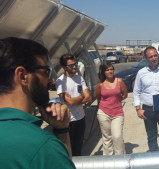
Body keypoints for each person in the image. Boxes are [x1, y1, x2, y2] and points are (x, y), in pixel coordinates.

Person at [0, 37, 75, 168]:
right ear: (23, 76)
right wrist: (62, 132)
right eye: (46, 71)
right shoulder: (42, 146)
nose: (50, 80)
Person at [56, 54, 91, 156]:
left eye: (75, 64)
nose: (74, 67)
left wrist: (76, 99)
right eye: (71, 65)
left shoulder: (79, 78)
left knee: (78, 146)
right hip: (68, 121)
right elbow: (69, 102)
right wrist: (81, 96)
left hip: (81, 118)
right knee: (68, 149)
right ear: (64, 67)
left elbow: (88, 97)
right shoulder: (61, 82)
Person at [95, 63, 128, 155]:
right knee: (107, 137)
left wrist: (116, 100)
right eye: (107, 70)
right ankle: (108, 160)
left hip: (117, 113)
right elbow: (98, 97)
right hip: (103, 113)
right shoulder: (100, 84)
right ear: (103, 72)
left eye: (111, 69)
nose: (110, 71)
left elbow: (125, 94)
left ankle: (120, 159)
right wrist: (108, 103)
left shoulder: (119, 81)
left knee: (117, 136)